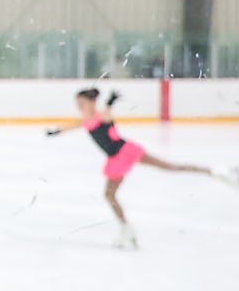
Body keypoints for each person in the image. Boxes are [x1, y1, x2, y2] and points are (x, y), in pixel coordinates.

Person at [47, 86, 237, 249]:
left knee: (163, 170)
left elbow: (106, 113)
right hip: (119, 156)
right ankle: (125, 229)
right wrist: (55, 131)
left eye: (81, 103)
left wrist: (111, 102)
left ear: (91, 102)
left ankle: (217, 172)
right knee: (112, 194)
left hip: (123, 153)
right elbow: (71, 126)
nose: (79, 107)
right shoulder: (85, 120)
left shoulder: (100, 115)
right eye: (77, 104)